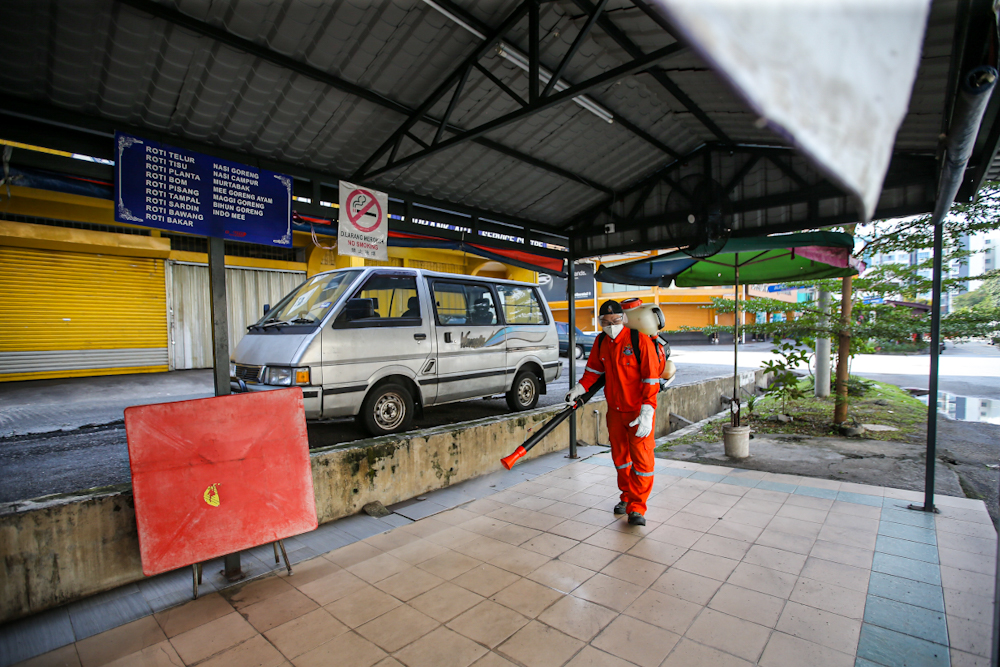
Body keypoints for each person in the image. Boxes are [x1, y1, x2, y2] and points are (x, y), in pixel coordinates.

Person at [566, 300, 659, 525]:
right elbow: (593, 372)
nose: (610, 325)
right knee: (621, 460)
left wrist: (647, 411)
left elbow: (651, 379)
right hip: (615, 412)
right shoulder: (601, 342)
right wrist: (578, 389)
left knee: (642, 461)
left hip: (638, 411)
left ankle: (638, 508)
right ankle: (627, 498)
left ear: (623, 319)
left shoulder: (639, 341)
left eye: (615, 321)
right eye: (605, 322)